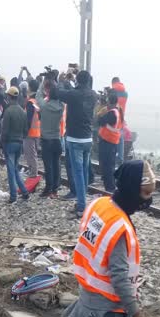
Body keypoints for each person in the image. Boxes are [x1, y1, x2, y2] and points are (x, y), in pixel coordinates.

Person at [63, 160, 155, 317]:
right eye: (146, 193)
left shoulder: (100, 205)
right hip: (108, 314)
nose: (148, 199)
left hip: (87, 301)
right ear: (131, 189)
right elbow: (120, 278)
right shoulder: (119, 228)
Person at [57, 70, 98, 218]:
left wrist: (62, 79)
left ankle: (81, 207)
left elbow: (57, 92)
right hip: (88, 138)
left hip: (75, 140)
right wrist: (74, 81)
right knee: (84, 172)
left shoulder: (73, 95)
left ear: (78, 81)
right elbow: (82, 88)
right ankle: (83, 202)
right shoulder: (94, 95)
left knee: (78, 173)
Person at [37, 79, 65, 198]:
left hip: (46, 140)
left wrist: (42, 82)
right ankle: (55, 190)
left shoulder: (44, 106)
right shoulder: (61, 106)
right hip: (57, 139)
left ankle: (48, 189)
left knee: (48, 166)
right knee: (56, 165)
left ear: (48, 94)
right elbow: (61, 98)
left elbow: (38, 94)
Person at [1, 87, 29, 203]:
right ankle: (24, 192)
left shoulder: (8, 111)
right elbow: (26, 130)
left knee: (11, 171)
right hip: (19, 143)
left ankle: (13, 196)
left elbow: (5, 131)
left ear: (9, 97)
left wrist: (2, 145)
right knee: (15, 169)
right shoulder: (22, 111)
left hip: (10, 143)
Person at [97, 92, 123, 192]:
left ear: (110, 102)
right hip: (113, 142)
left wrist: (102, 111)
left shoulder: (112, 113)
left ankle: (110, 188)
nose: (106, 104)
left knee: (107, 167)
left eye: (107, 101)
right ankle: (111, 187)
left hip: (107, 142)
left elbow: (100, 121)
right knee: (110, 166)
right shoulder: (118, 111)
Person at [23, 79, 42, 179]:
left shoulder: (30, 102)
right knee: (33, 153)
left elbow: (28, 119)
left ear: (29, 88)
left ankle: (33, 173)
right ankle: (33, 171)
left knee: (30, 154)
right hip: (37, 131)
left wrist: (24, 131)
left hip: (30, 132)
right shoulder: (38, 101)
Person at [111, 77, 128, 165]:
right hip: (121, 115)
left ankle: (113, 157)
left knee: (112, 135)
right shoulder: (125, 93)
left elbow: (110, 102)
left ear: (113, 83)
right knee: (120, 137)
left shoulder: (113, 91)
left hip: (113, 115)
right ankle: (120, 158)